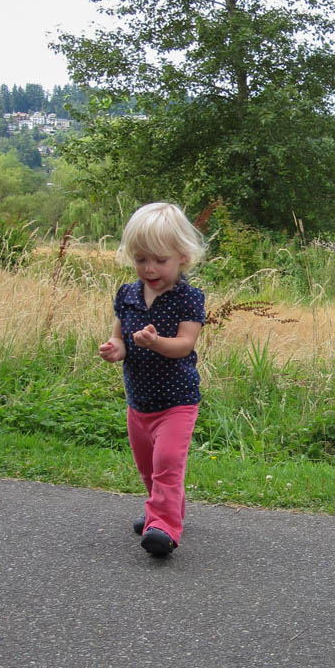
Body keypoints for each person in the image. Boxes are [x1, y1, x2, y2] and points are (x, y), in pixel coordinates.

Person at [99, 202, 206, 557]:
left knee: (166, 465)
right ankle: (160, 508)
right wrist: (116, 348)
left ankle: (164, 526)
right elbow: (119, 338)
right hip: (139, 403)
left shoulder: (188, 298)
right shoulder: (127, 295)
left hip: (177, 403)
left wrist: (155, 341)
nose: (150, 268)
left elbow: (184, 345)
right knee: (148, 468)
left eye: (160, 260)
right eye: (141, 259)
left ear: (182, 258)